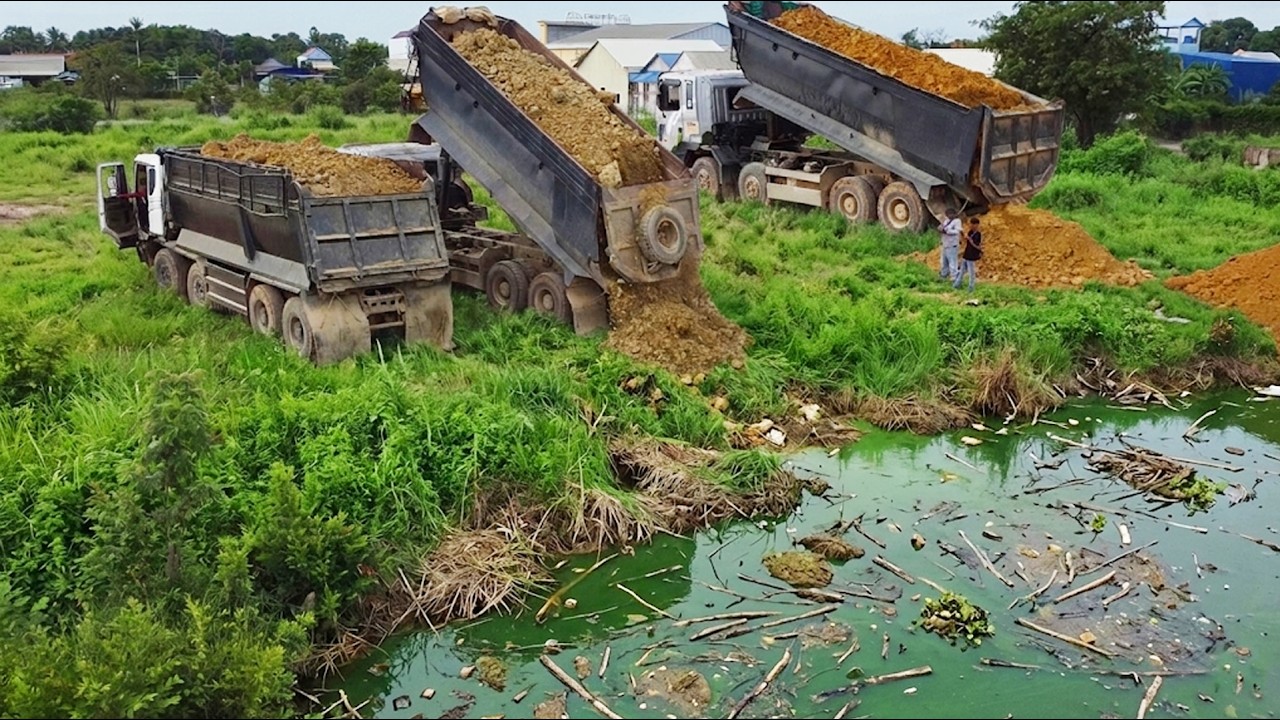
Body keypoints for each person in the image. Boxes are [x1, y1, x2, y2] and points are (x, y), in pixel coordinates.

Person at [954, 216, 983, 292]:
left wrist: (970, 240)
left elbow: (977, 246)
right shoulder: (970, 232)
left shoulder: (978, 235)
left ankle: (971, 287)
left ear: (976, 225)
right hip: (966, 254)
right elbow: (965, 241)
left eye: (972, 224)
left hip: (972, 256)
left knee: (971, 273)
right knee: (962, 271)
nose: (971, 226)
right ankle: (957, 284)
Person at [938, 208, 962, 282]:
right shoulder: (946, 221)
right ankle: (944, 275)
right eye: (948, 214)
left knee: (952, 261)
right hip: (945, 244)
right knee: (944, 261)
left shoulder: (957, 221)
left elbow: (957, 231)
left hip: (952, 244)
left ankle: (954, 276)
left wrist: (947, 231)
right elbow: (943, 227)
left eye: (951, 214)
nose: (949, 215)